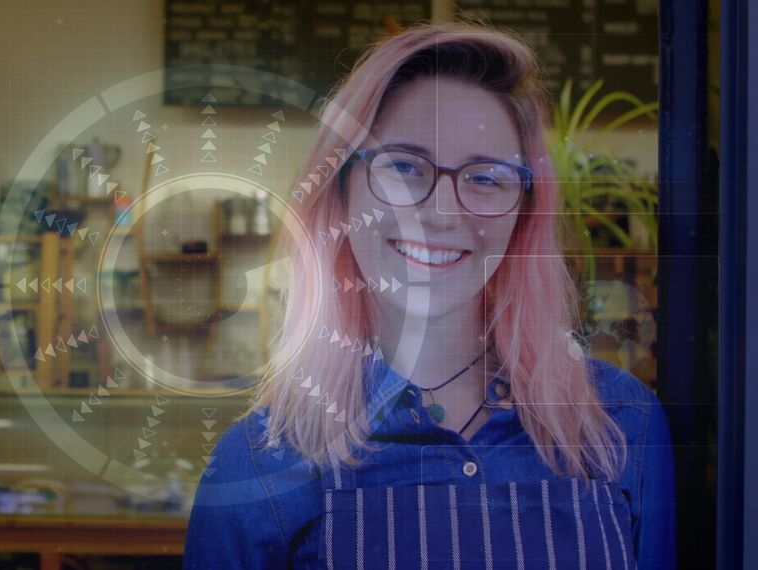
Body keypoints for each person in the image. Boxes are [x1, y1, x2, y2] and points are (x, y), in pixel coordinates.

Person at [183, 21, 676, 569]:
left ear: (524, 213)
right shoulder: (256, 465)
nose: (441, 213)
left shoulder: (620, 423)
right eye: (402, 167)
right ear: (341, 191)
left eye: (486, 178)